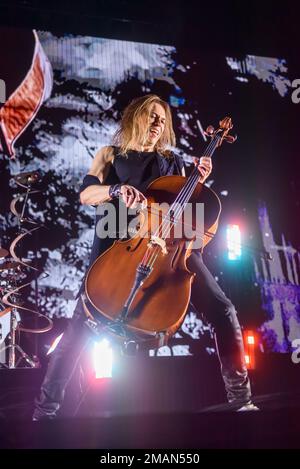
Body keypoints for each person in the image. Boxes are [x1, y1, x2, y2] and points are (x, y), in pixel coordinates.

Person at [33, 94, 257, 420]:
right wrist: (114, 191)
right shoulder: (110, 155)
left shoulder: (173, 162)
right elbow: (86, 195)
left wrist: (198, 181)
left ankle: (242, 399)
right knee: (79, 330)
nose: (157, 124)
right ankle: (45, 413)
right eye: (152, 116)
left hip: (169, 250)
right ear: (136, 117)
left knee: (223, 309)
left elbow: (188, 216)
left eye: (163, 120)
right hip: (119, 248)